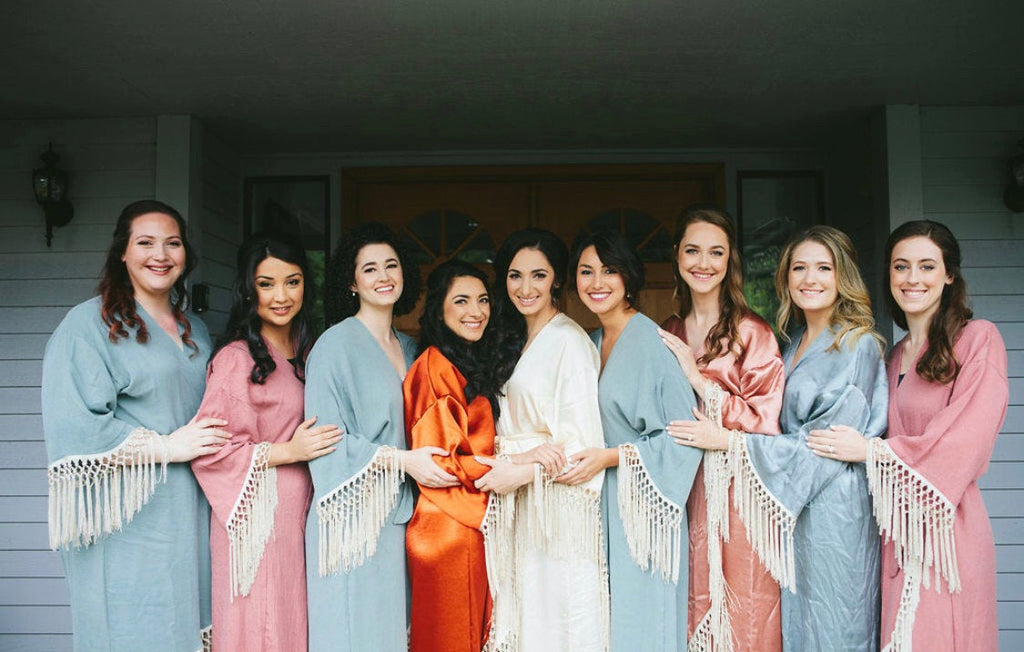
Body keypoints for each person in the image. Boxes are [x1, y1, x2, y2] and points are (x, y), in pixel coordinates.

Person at [669, 225, 887, 651]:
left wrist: (730, 441)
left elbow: (824, 446)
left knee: (835, 626)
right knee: (798, 628)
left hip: (833, 512)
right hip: (790, 512)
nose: (810, 278)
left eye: (824, 268)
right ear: (785, 277)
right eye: (799, 268)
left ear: (843, 276)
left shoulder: (857, 345)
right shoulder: (793, 345)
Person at [807, 220, 1007, 651]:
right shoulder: (892, 355)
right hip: (897, 535)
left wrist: (871, 452)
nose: (912, 278)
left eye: (927, 266)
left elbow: (965, 441)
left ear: (949, 275)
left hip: (947, 531)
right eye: (901, 267)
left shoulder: (977, 340)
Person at [42, 199, 230, 651]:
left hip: (189, 512)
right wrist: (168, 447)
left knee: (185, 629)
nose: (160, 254)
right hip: (126, 520)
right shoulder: (87, 325)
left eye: (172, 243)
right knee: (129, 629)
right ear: (122, 253)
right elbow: (75, 427)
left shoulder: (195, 331)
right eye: (144, 242)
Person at [304, 222, 457, 651]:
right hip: (351, 521)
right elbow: (325, 441)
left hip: (403, 518)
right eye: (369, 269)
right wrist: (402, 460)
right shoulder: (333, 346)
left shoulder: (412, 349)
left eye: (391, 265)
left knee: (393, 634)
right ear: (351, 282)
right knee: (354, 632)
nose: (383, 276)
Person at [191, 234, 341, 651]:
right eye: (267, 283)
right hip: (256, 520)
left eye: (292, 282)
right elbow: (213, 447)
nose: (281, 296)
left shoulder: (309, 350)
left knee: (293, 624)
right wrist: (288, 451)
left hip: (300, 517)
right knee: (261, 628)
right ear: (247, 289)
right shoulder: (237, 358)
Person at [563, 228, 702, 651]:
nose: (597, 282)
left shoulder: (652, 343)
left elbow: (682, 437)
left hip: (646, 510)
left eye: (609, 270)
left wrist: (612, 457)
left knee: (643, 623)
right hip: (599, 505)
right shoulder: (590, 342)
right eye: (586, 272)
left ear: (629, 278)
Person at [473, 228, 608, 651]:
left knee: (557, 616)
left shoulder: (569, 341)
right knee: (521, 616)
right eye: (515, 276)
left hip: (555, 506)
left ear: (556, 280)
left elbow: (581, 441)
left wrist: (523, 472)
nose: (526, 288)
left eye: (538, 275)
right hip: (514, 497)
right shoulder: (506, 337)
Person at [658, 205, 785, 652]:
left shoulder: (752, 333)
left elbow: (767, 423)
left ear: (730, 259)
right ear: (676, 255)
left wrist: (699, 382)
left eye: (716, 252)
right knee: (689, 603)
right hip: (683, 489)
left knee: (744, 607)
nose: (703, 263)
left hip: (739, 496)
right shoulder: (668, 331)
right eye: (692, 250)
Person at [404, 260, 502, 652]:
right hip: (448, 527)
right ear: (439, 309)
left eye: (482, 300)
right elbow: (440, 461)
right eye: (460, 301)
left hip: (468, 523)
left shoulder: (470, 360)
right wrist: (516, 466)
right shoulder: (433, 366)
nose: (474, 311)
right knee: (451, 639)